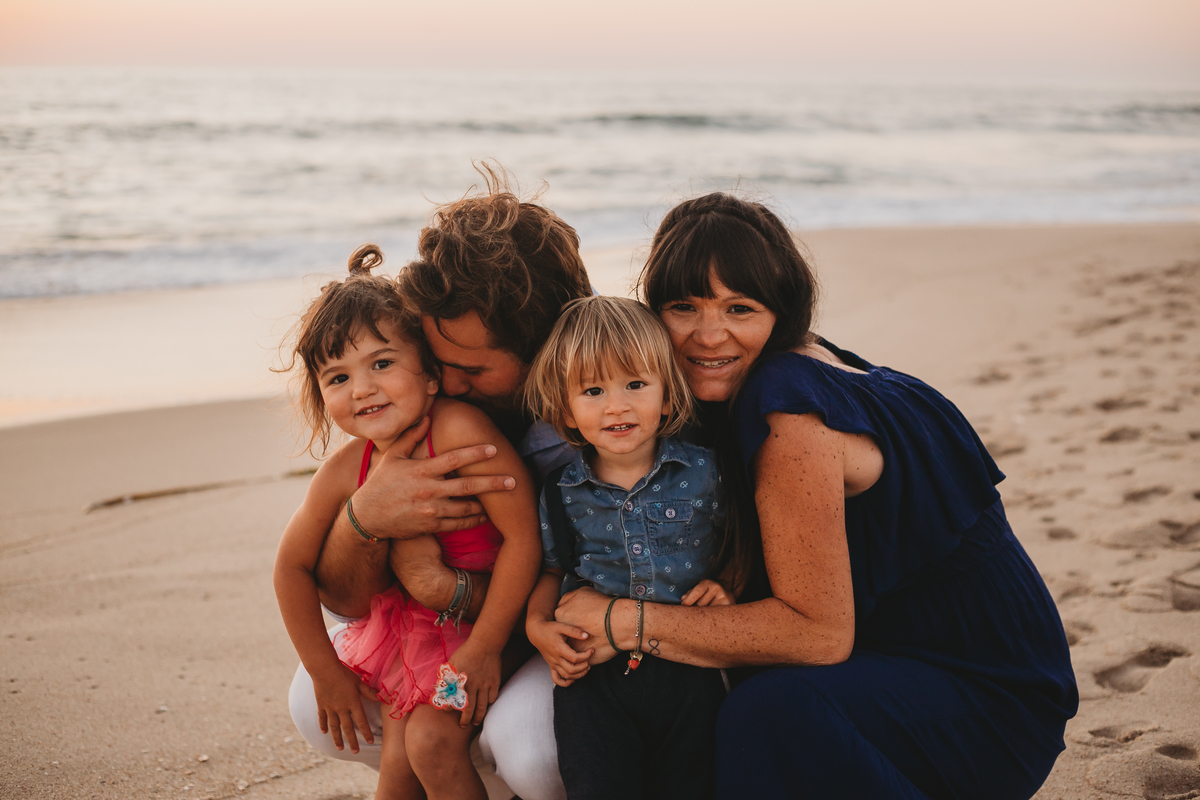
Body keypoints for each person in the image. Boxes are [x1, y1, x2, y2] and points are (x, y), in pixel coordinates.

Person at [551, 193, 1079, 800]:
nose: (708, 334)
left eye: (739, 307)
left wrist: (624, 621)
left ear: (780, 309)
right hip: (951, 677)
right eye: (682, 306)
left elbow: (819, 637)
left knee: (766, 710)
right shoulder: (806, 360)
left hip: (985, 706)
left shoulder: (789, 410)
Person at [288, 169, 590, 800]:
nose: (447, 384)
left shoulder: (596, 423)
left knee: (511, 748)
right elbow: (325, 588)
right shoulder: (366, 456)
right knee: (344, 719)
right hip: (421, 634)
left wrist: (448, 595)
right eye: (437, 361)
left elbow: (546, 562)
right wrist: (366, 519)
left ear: (541, 349)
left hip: (528, 639)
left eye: (469, 369)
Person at [524, 296, 731, 800]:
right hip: (594, 675)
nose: (617, 405)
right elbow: (552, 569)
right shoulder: (560, 490)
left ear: (667, 395)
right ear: (567, 414)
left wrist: (728, 584)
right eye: (593, 391)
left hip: (690, 665)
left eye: (635, 384)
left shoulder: (707, 472)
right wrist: (537, 627)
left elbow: (741, 545)